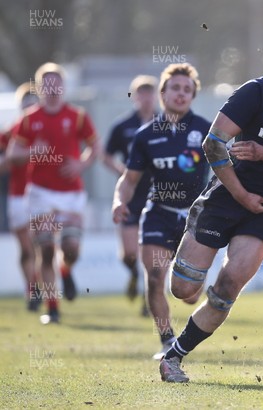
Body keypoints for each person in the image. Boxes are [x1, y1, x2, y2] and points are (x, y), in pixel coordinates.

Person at [158, 20, 263, 383]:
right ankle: (191, 270)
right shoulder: (255, 92)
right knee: (183, 289)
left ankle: (174, 357)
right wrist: (241, 193)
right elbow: (213, 143)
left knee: (227, 288)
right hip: (228, 196)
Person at [112, 63, 211, 359]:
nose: (180, 94)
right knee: (155, 276)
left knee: (190, 294)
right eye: (175, 88)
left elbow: (226, 169)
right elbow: (129, 180)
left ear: (193, 95)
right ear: (162, 93)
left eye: (187, 89)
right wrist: (120, 201)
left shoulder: (205, 129)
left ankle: (194, 287)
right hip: (158, 212)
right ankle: (167, 340)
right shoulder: (145, 136)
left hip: (195, 218)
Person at [8, 62, 100, 324]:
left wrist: (81, 163)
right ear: (39, 88)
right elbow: (14, 154)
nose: (52, 88)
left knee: (70, 248)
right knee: (46, 248)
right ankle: (53, 307)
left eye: (57, 83)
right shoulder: (29, 119)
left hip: (71, 194)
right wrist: (31, 152)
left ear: (63, 86)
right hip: (39, 193)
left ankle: (66, 269)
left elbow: (95, 146)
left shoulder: (78, 116)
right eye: (47, 84)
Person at [104, 75, 157, 315]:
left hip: (157, 193)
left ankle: (149, 299)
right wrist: (122, 171)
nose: (146, 99)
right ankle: (134, 275)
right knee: (129, 253)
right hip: (130, 193)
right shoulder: (123, 126)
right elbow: (105, 155)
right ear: (135, 97)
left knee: (151, 252)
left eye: (150, 94)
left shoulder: (167, 123)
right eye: (142, 94)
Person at [0, 83, 40, 311]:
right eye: (26, 107)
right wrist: (16, 157)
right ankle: (32, 289)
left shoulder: (47, 128)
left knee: (43, 244)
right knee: (26, 248)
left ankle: (51, 289)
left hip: (44, 194)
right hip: (18, 195)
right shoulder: (10, 132)